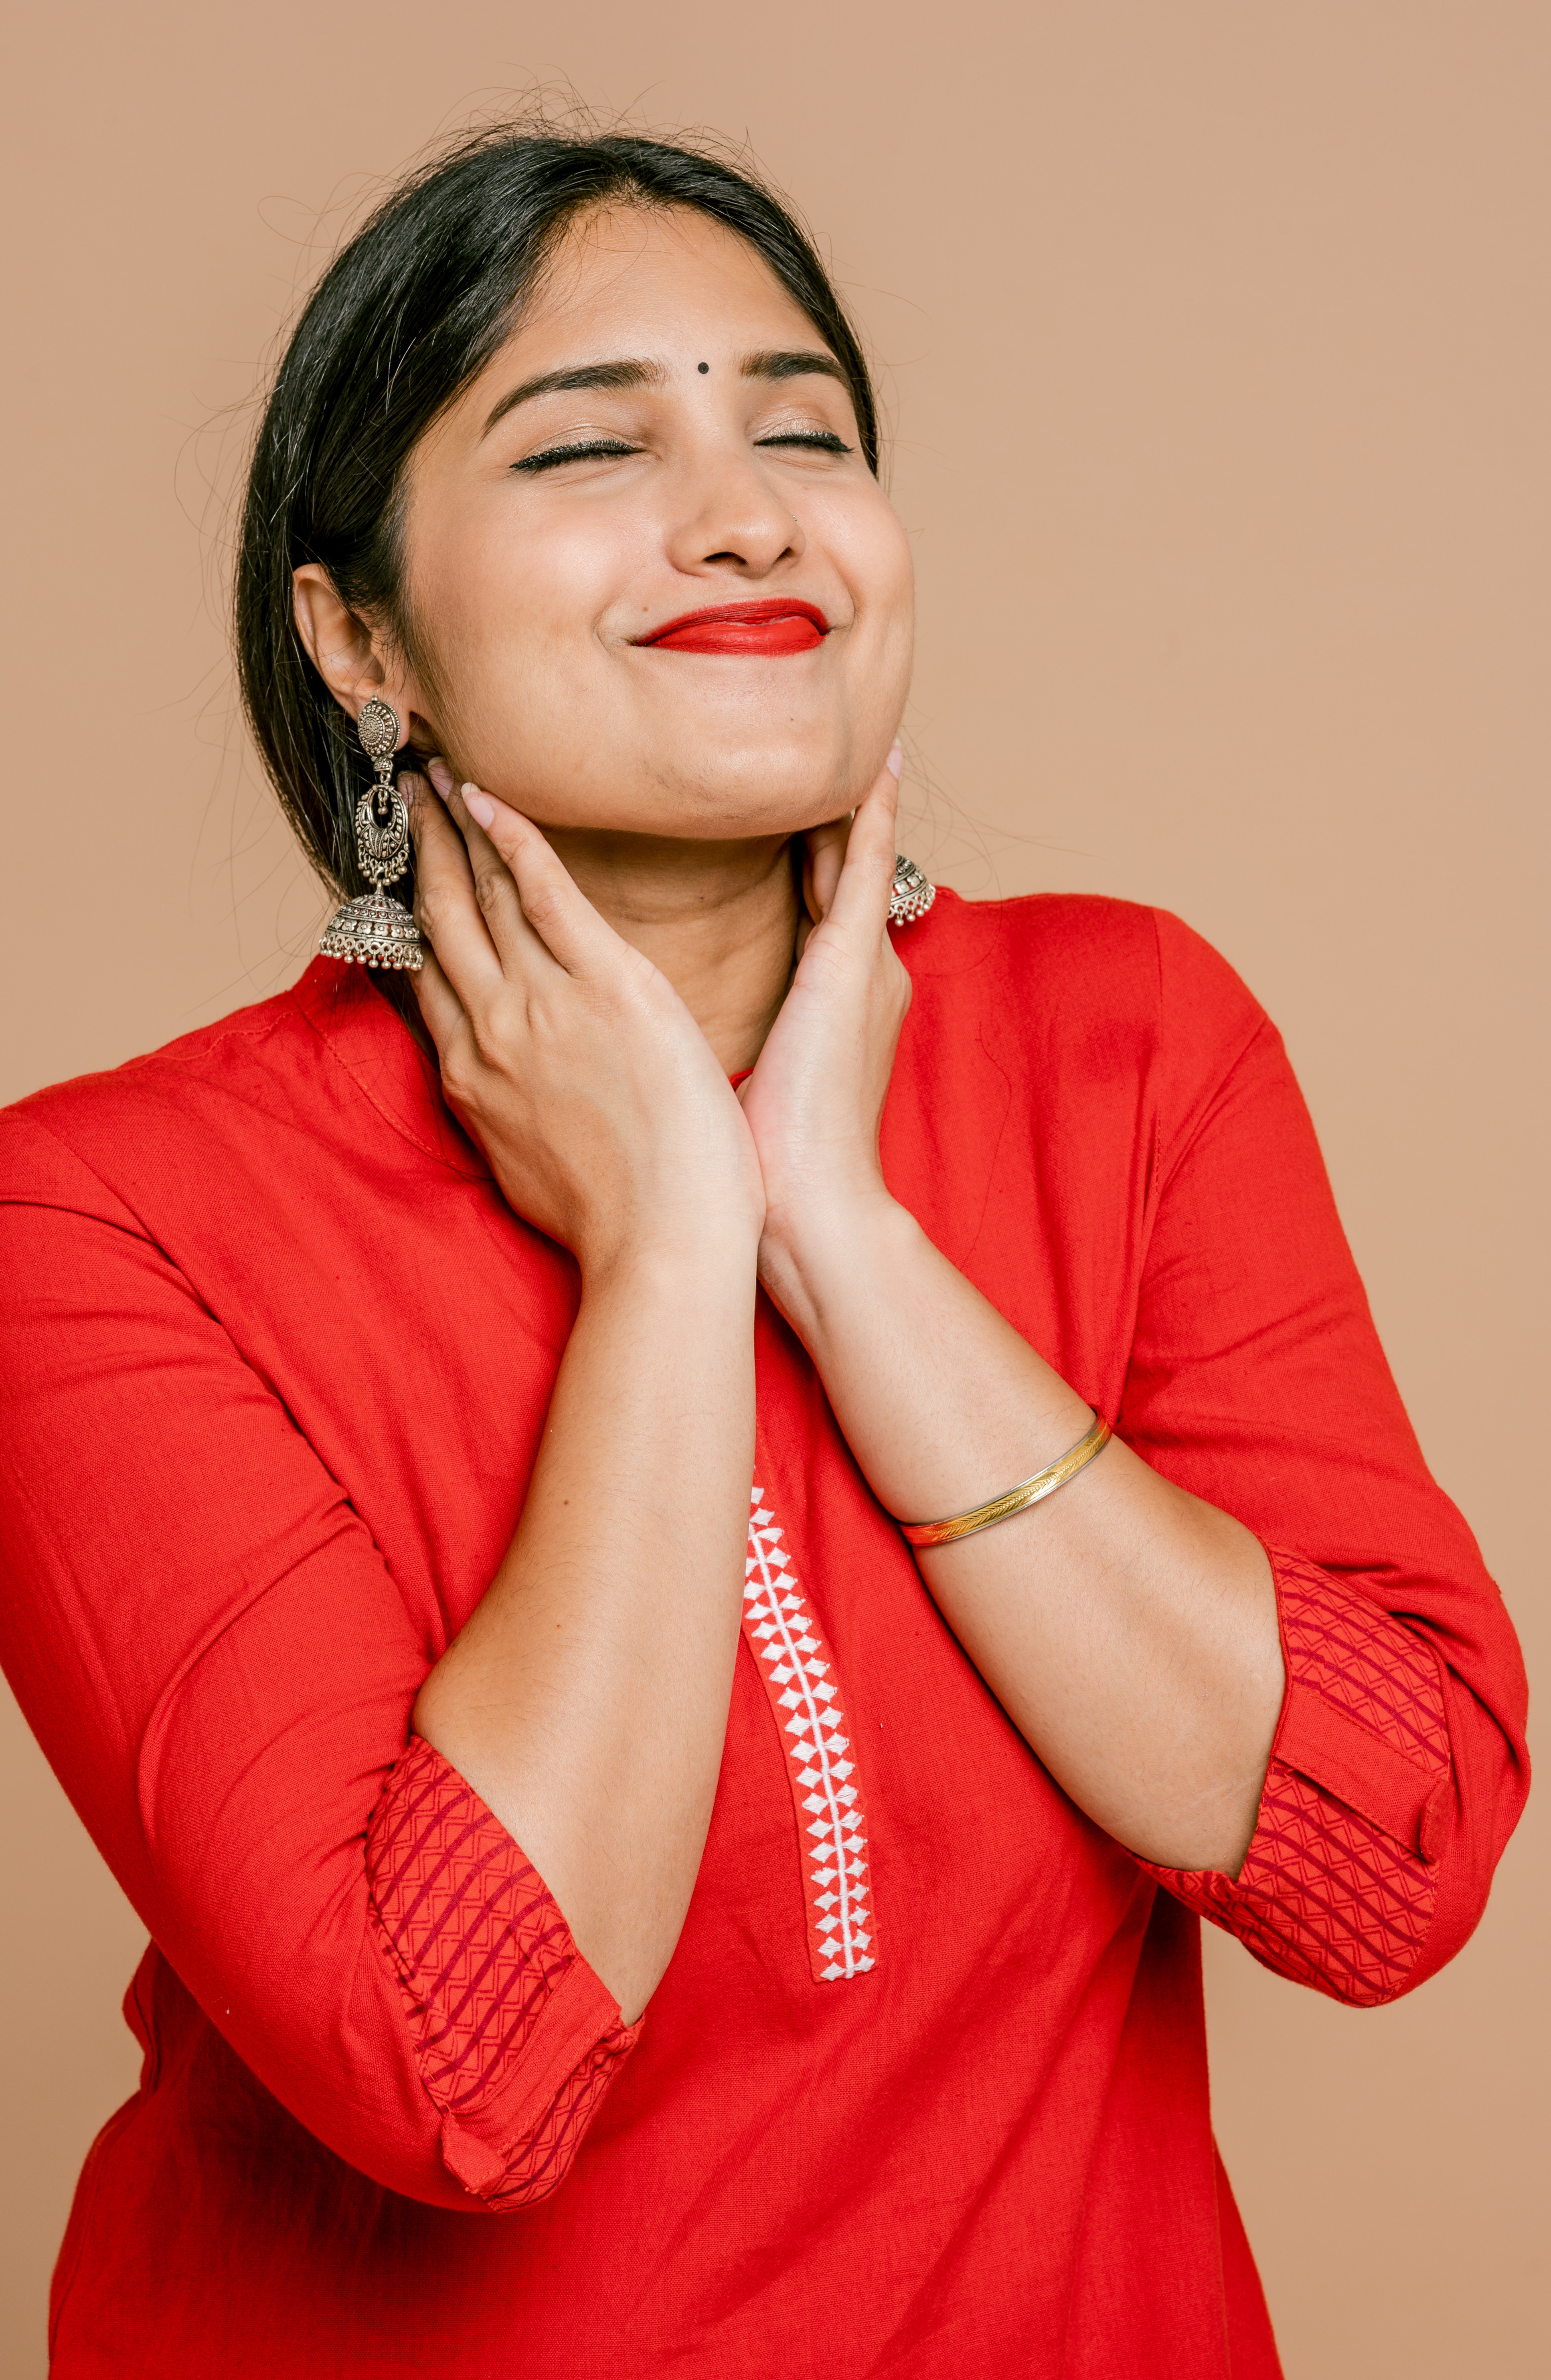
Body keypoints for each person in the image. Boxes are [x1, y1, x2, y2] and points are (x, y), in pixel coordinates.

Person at [0, 125, 1527, 2379]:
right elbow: (461, 2072)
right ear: (358, 639)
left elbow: (1387, 1860)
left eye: (802, 427)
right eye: (593, 442)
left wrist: (842, 1229)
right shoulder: (108, 1218)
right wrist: (664, 1252)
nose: (746, 512)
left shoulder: (1131, 1049)